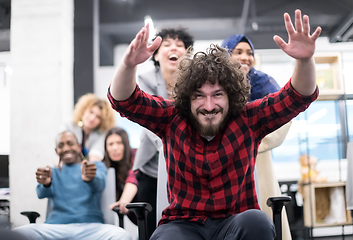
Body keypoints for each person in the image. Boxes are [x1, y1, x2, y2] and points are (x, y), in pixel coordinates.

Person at [107, 9, 321, 240]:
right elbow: (124, 101)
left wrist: (305, 60)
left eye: (217, 94)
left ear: (231, 95)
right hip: (183, 224)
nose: (209, 106)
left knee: (257, 221)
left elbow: (297, 96)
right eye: (199, 96)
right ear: (187, 98)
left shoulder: (248, 119)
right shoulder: (171, 118)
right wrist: (128, 66)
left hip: (236, 221)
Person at [221, 35, 292, 240]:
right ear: (226, 55)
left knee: (262, 217)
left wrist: (254, 143)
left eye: (250, 53)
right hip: (225, 162)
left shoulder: (265, 82)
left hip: (258, 161)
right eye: (239, 52)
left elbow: (285, 119)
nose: (246, 57)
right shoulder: (217, 86)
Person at [132, 27, 194, 238]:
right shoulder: (145, 79)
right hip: (152, 164)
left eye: (179, 45)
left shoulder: (195, 81)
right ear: (156, 54)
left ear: (187, 54)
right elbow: (147, 117)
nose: (173, 48)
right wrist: (167, 142)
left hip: (187, 163)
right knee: (150, 224)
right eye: (166, 45)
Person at [13, 131, 132, 240]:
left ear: (79, 146)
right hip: (54, 228)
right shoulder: (51, 172)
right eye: (61, 145)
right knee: (16, 234)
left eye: (70, 143)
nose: (66, 148)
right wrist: (46, 184)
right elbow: (40, 194)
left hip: (91, 228)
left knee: (122, 236)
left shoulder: (94, 166)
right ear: (56, 151)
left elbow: (100, 185)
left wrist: (90, 179)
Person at [61, 93, 116, 161]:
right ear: (83, 110)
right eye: (91, 112)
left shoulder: (101, 133)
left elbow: (96, 155)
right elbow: (62, 150)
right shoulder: (68, 124)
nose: (92, 118)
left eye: (98, 117)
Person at [102, 127, 138, 224]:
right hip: (134, 218)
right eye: (111, 144)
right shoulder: (107, 167)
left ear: (125, 145)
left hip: (151, 214)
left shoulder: (136, 155)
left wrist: (124, 200)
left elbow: (134, 176)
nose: (114, 148)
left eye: (119, 143)